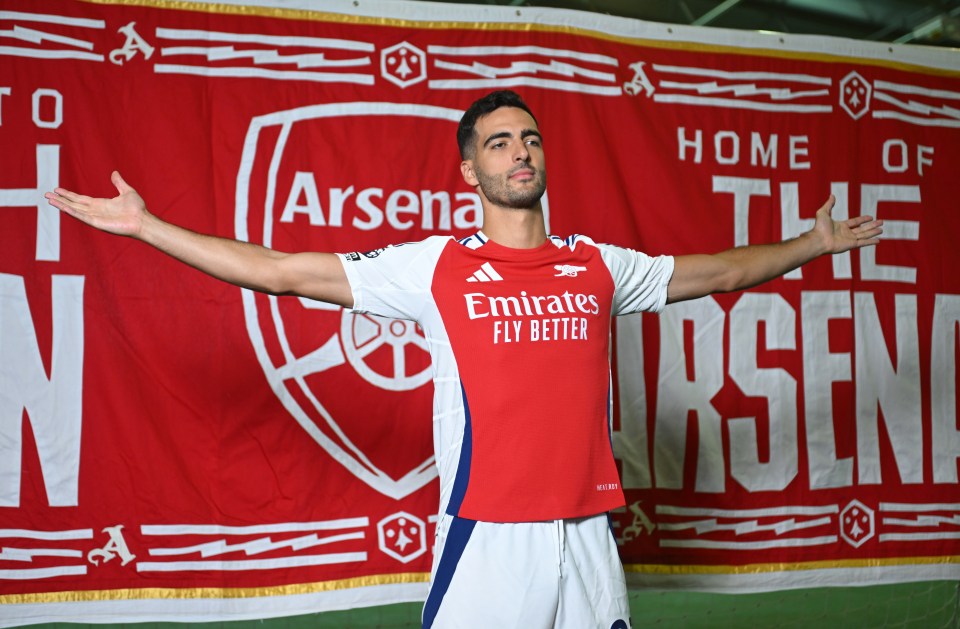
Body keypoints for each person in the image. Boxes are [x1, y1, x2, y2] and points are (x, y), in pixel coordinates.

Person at [45, 90, 882, 629]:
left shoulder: (598, 264)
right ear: (469, 169)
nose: (519, 153)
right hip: (488, 539)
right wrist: (149, 227)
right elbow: (281, 269)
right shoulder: (435, 265)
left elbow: (725, 271)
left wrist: (813, 241)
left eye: (529, 140)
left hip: (586, 535)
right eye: (499, 144)